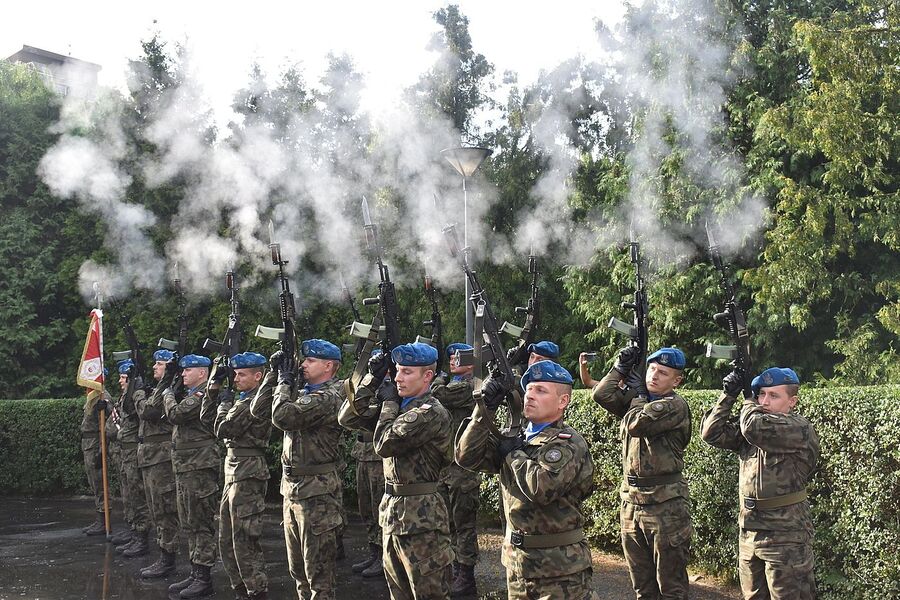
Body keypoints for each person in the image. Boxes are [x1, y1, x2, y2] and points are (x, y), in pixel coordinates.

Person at [456, 360, 595, 599]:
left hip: (559, 570)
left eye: (540, 390)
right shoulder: (516, 436)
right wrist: (484, 408)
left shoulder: (568, 442)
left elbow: (542, 488)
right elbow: (466, 456)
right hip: (517, 563)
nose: (530, 395)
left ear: (563, 401)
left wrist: (513, 453)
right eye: (528, 389)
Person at [339, 342, 454, 600]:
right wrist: (372, 379)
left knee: (428, 594)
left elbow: (383, 443)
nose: (399, 378)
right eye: (397, 371)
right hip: (393, 515)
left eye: (407, 372)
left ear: (427, 376)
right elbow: (347, 418)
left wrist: (389, 403)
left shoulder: (430, 411)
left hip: (422, 519)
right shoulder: (400, 407)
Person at [701, 367, 819, 599]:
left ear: (792, 401)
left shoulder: (798, 428)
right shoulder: (753, 426)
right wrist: (728, 395)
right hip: (750, 531)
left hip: (785, 535)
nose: (764, 401)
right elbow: (711, 433)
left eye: (774, 396)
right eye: (760, 394)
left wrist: (747, 400)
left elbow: (752, 427)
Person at [590, 346, 692, 600]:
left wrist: (637, 395)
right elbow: (601, 394)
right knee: (642, 586)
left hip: (664, 505)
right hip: (632, 501)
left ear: (676, 380)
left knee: (671, 588)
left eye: (663, 373)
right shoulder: (641, 399)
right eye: (652, 369)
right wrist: (620, 368)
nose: (654, 376)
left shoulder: (674, 405)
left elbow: (638, 423)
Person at [271, 339, 345, 600]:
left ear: (328, 366)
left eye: (310, 361)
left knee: (319, 578)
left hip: (317, 494)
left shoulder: (329, 396)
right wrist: (276, 376)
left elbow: (282, 416)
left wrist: (283, 382)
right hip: (293, 491)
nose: (303, 365)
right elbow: (262, 413)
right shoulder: (305, 393)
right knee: (299, 573)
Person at [203, 352, 273, 600]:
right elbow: (206, 419)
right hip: (233, 469)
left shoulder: (257, 401)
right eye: (234, 374)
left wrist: (223, 403)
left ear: (258, 376)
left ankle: (256, 591)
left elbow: (224, 428)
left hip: (248, 471)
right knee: (226, 539)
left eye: (241, 374)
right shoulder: (242, 399)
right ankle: (240, 590)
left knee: (245, 541)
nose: (235, 379)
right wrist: (215, 385)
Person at [163, 354, 220, 599]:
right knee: (189, 521)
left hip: (199, 468)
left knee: (201, 522)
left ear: (203, 373)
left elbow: (174, 414)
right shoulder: (192, 394)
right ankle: (196, 572)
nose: (183, 374)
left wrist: (167, 391)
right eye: (183, 371)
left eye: (189, 371)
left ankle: (204, 577)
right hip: (187, 467)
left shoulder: (204, 395)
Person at [432, 342, 480, 597]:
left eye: (458, 358)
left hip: (463, 468)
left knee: (464, 525)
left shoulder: (470, 385)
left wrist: (438, 378)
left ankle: (467, 574)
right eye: (450, 358)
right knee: (446, 522)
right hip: (446, 466)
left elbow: (439, 395)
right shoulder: (454, 383)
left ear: (472, 363)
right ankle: (452, 567)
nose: (452, 362)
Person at [135, 349, 180, 577]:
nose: (155, 367)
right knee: (156, 509)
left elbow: (149, 411)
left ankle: (168, 559)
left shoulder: (172, 390)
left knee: (165, 510)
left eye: (160, 363)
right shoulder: (160, 389)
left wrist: (139, 392)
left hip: (161, 459)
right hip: (150, 457)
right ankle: (164, 555)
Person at [344, 350, 388, 580]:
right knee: (366, 509)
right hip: (363, 454)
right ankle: (374, 551)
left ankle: (384, 557)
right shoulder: (369, 384)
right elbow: (349, 413)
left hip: (379, 457)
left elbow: (365, 413)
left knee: (378, 508)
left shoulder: (391, 388)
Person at [109, 359, 151, 556]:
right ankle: (134, 530)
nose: (120, 381)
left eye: (124, 378)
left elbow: (139, 415)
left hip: (134, 451)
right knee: (128, 494)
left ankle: (141, 537)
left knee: (137, 494)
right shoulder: (125, 397)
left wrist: (137, 391)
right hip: (125, 451)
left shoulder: (135, 397)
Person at [80, 382, 111, 536]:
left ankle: (103, 519)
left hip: (95, 443)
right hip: (88, 443)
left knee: (99, 483)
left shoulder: (103, 397)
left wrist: (101, 449)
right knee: (93, 482)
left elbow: (108, 422)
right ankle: (99, 516)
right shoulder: (91, 397)